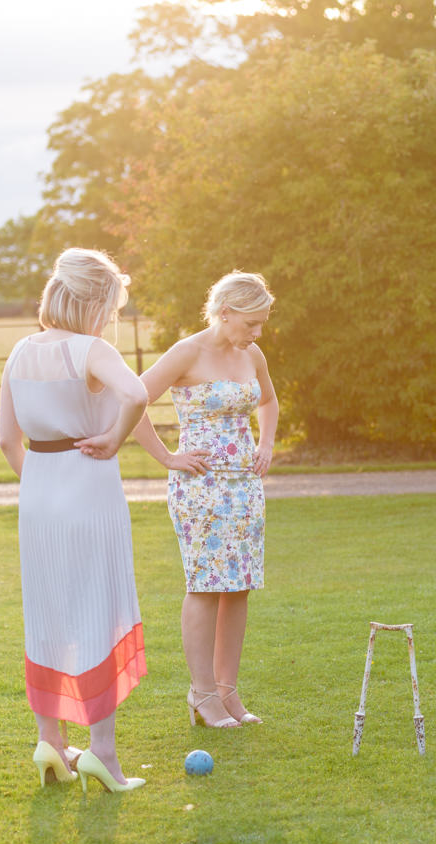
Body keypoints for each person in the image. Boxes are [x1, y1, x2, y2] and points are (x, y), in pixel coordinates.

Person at [0, 247, 150, 793]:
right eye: (110, 308)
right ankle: (103, 755)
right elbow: (135, 392)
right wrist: (114, 438)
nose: (111, 319)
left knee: (48, 611)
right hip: (89, 490)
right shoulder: (91, 348)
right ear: (95, 303)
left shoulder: (20, 350)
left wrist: (41, 485)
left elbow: (6, 440)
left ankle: (52, 743)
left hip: (37, 496)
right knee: (96, 610)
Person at [132, 272, 278, 729]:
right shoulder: (187, 352)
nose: (257, 333)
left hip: (245, 488)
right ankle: (201, 694)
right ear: (226, 312)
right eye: (251, 322)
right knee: (206, 585)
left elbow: (269, 401)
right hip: (200, 489)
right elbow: (131, 400)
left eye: (262, 324)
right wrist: (167, 457)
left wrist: (268, 443)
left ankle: (227, 690)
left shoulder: (251, 353)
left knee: (239, 586)